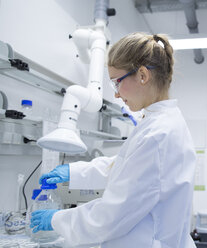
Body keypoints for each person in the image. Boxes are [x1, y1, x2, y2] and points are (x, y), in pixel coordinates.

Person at [30, 32, 197, 248]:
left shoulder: (157, 134)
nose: (116, 95)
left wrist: (56, 221)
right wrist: (74, 173)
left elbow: (111, 216)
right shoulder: (159, 122)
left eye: (116, 83)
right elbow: (123, 167)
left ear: (143, 75)